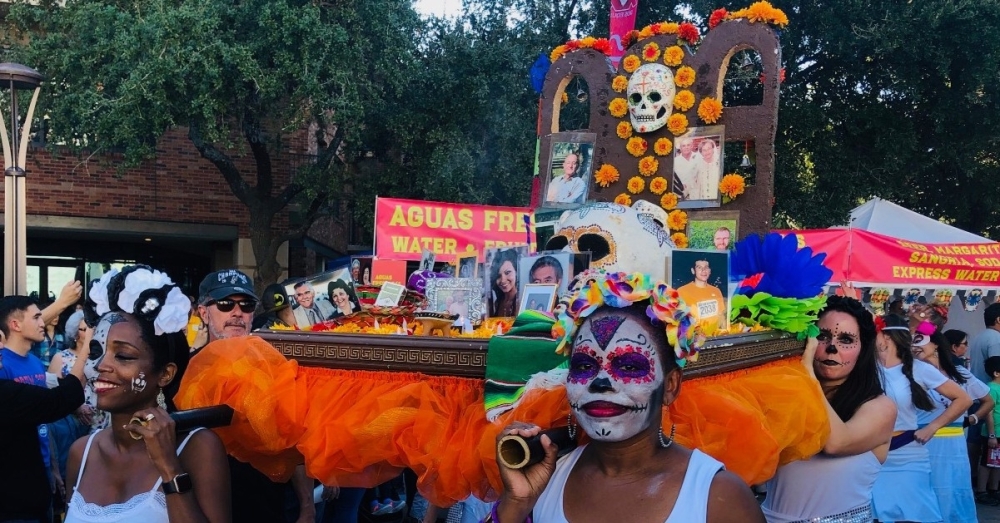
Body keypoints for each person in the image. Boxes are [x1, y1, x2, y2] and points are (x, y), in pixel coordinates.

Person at [493, 275, 764, 522]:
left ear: (670, 386)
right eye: (585, 366)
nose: (600, 383)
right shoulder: (545, 482)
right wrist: (516, 504)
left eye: (630, 366)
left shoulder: (718, 497)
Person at [63, 265, 230, 523]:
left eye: (124, 356)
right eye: (95, 351)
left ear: (165, 374)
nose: (100, 365)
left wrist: (169, 467)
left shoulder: (197, 448)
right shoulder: (81, 453)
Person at [193, 269, 316, 523]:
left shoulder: (275, 367)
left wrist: (307, 506)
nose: (237, 313)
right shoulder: (183, 372)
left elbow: (293, 442)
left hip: (265, 507)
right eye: (226, 304)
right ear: (204, 312)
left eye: (246, 305)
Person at [761, 296, 896, 522]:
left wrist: (807, 373)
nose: (832, 348)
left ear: (863, 350)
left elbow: (835, 443)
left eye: (846, 339)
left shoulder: (881, 407)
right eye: (822, 336)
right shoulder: (788, 398)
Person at [871, 314, 971, 522]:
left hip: (907, 455)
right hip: (870, 454)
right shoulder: (866, 369)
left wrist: (932, 427)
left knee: (914, 513)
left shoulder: (920, 369)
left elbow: (963, 399)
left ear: (887, 337)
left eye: (874, 332)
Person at [0, 332, 90, 523]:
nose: (1, 346)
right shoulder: (5, 393)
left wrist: (52, 467)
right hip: (14, 506)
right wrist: (87, 345)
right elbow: (59, 400)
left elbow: (41, 417)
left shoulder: (33, 363)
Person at [912, 324, 992, 521]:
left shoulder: (959, 373)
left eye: (921, 342)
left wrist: (972, 419)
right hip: (921, 441)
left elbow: (988, 400)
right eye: (913, 343)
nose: (916, 347)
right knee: (924, 488)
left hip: (953, 444)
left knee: (953, 489)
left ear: (936, 345)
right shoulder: (911, 372)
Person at [677, 258, 726, 333]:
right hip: (694, 339)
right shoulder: (682, 291)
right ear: (693, 271)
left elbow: (721, 317)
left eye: (706, 267)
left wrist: (725, 334)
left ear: (710, 271)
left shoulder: (716, 291)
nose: (704, 270)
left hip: (715, 338)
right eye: (699, 267)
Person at [978, 357, 1000, 504]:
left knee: (997, 462)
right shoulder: (991, 388)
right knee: (987, 463)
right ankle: (981, 491)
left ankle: (994, 489)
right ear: (996, 373)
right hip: (993, 433)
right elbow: (988, 413)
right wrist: (991, 435)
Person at [971, 303, 1000, 385]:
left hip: (978, 389)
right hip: (992, 393)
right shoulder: (996, 339)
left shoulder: (979, 336)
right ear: (998, 320)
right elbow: (997, 370)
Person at [490, 250, 519, 317]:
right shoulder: (498, 301)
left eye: (507, 273)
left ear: (516, 272)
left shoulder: (521, 301)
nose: (503, 280)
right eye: (498, 276)